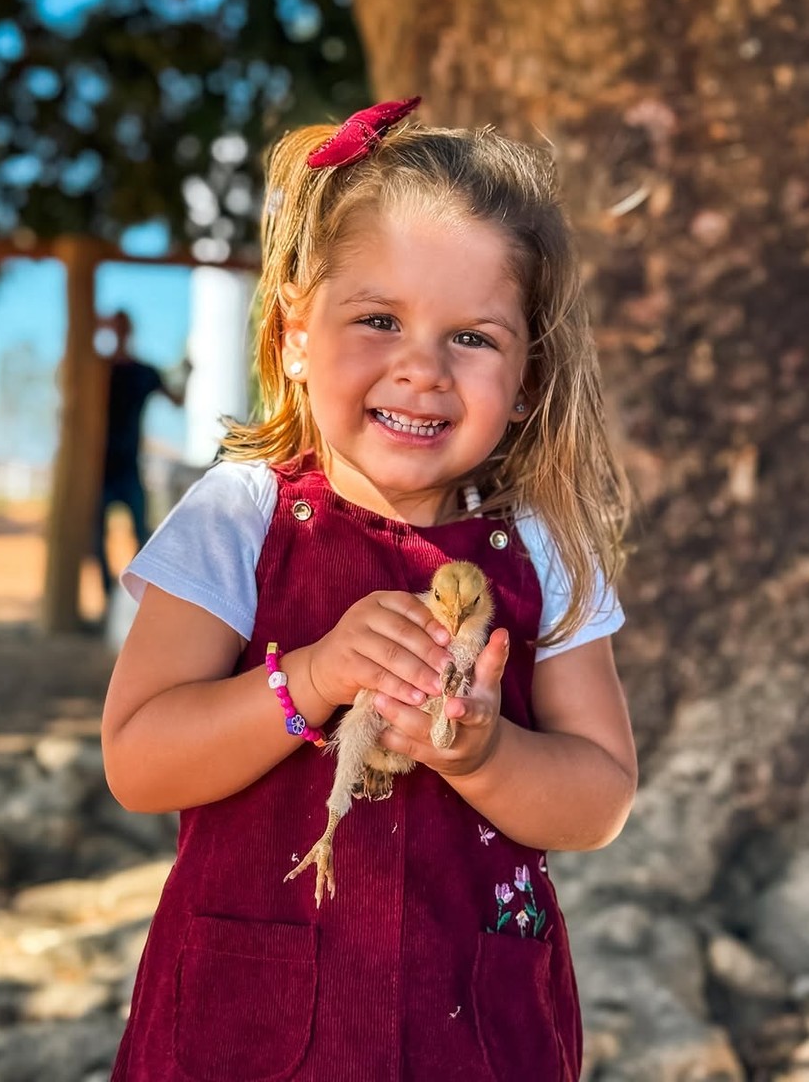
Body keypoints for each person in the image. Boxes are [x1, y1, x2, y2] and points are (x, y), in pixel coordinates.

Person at [102, 97, 638, 1082]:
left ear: (526, 377)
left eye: (472, 337)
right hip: (244, 1027)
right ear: (296, 334)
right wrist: (304, 679)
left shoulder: (545, 549)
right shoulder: (239, 516)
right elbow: (139, 759)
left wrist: (482, 754)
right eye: (379, 319)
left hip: (476, 1028)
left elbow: (600, 794)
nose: (421, 368)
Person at [94, 310, 188, 599]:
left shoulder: (140, 372)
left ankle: (127, 595)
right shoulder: (98, 369)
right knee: (97, 538)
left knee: (143, 536)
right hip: (100, 468)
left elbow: (177, 400)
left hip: (128, 466)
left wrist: (188, 372)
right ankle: (111, 596)